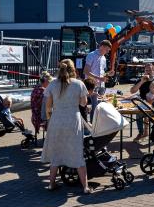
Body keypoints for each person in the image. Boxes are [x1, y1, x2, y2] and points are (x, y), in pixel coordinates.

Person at [41, 61, 92, 193]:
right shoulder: (78, 84)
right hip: (73, 120)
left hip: (56, 120)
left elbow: (48, 106)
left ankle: (51, 184)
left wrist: (49, 118)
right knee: (77, 152)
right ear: (73, 69)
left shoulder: (52, 84)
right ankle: (85, 187)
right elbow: (83, 103)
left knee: (56, 154)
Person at [130, 63, 154, 142]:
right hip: (143, 104)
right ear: (144, 71)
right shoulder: (141, 80)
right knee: (138, 112)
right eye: (147, 70)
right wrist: (141, 82)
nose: (148, 72)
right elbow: (132, 91)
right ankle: (141, 133)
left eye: (150, 70)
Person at [83, 40, 114, 121]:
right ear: (102, 46)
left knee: (101, 106)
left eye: (108, 50)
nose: (107, 52)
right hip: (93, 85)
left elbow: (102, 73)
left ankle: (98, 125)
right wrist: (99, 78)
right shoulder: (91, 55)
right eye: (107, 49)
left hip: (101, 85)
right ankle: (93, 126)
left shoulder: (103, 57)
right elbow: (86, 71)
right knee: (95, 106)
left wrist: (108, 74)